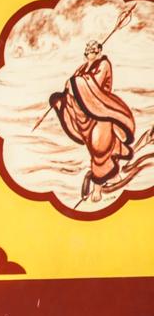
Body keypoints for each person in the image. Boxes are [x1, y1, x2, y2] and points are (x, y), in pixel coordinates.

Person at [49, 40, 135, 201]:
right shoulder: (83, 67)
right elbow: (73, 85)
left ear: (99, 52)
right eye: (88, 49)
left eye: (93, 49)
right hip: (86, 115)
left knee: (99, 148)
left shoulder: (103, 64)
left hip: (101, 111)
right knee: (98, 148)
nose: (90, 51)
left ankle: (97, 189)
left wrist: (74, 83)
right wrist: (62, 97)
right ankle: (114, 175)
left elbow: (93, 85)